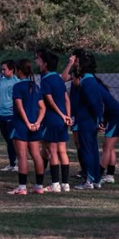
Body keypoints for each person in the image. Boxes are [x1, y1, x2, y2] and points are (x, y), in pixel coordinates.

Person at [8, 59, 46, 195]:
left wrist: (28, 123)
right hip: (35, 126)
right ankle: (39, 186)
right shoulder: (35, 87)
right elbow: (42, 107)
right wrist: (37, 123)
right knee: (36, 154)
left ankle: (22, 187)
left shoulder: (18, 87)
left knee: (22, 156)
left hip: (21, 125)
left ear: (19, 71)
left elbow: (20, 108)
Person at [36, 49, 72, 193]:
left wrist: (61, 115)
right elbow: (66, 99)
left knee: (52, 151)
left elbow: (49, 100)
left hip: (51, 119)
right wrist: (67, 116)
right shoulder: (58, 78)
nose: (36, 62)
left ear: (45, 64)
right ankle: (66, 184)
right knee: (62, 150)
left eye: (38, 59)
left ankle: (55, 184)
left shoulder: (46, 80)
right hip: (62, 120)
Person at [73, 49, 104, 190]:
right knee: (93, 150)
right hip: (90, 120)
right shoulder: (91, 80)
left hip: (86, 121)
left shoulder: (86, 81)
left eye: (79, 63)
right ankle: (96, 179)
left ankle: (89, 180)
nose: (77, 66)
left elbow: (94, 103)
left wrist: (99, 119)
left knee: (87, 150)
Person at [99, 76, 119, 185]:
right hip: (114, 117)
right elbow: (106, 111)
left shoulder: (98, 91)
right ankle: (109, 176)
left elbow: (101, 108)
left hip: (117, 117)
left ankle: (97, 176)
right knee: (108, 147)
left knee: (107, 147)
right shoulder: (101, 91)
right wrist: (103, 123)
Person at [0, 59, 19, 173]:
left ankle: (17, 163)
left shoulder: (17, 81)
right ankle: (12, 163)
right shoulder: (2, 80)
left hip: (11, 115)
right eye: (2, 69)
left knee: (12, 140)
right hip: (1, 115)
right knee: (8, 140)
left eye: (4, 69)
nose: (2, 71)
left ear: (11, 70)